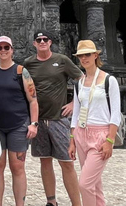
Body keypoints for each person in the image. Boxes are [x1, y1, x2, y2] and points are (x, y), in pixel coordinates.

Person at [24, 30, 83, 206]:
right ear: (34, 43)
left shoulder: (62, 60)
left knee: (66, 162)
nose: (42, 42)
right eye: (38, 40)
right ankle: (51, 201)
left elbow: (81, 79)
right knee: (45, 161)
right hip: (39, 119)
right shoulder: (29, 64)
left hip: (59, 118)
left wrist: (74, 103)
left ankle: (76, 203)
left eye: (45, 39)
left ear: (50, 42)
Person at [0, 36, 39, 206]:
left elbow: (33, 100)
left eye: (6, 47)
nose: (3, 51)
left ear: (12, 50)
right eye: (0, 48)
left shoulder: (21, 71)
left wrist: (34, 123)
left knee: (17, 167)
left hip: (18, 125)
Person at [67, 40, 121, 206]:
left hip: (101, 135)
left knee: (85, 184)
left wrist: (110, 140)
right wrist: (72, 140)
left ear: (96, 55)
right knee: (95, 184)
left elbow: (115, 114)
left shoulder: (108, 80)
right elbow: (76, 113)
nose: (84, 58)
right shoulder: (79, 83)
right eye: (81, 55)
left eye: (88, 54)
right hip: (81, 134)